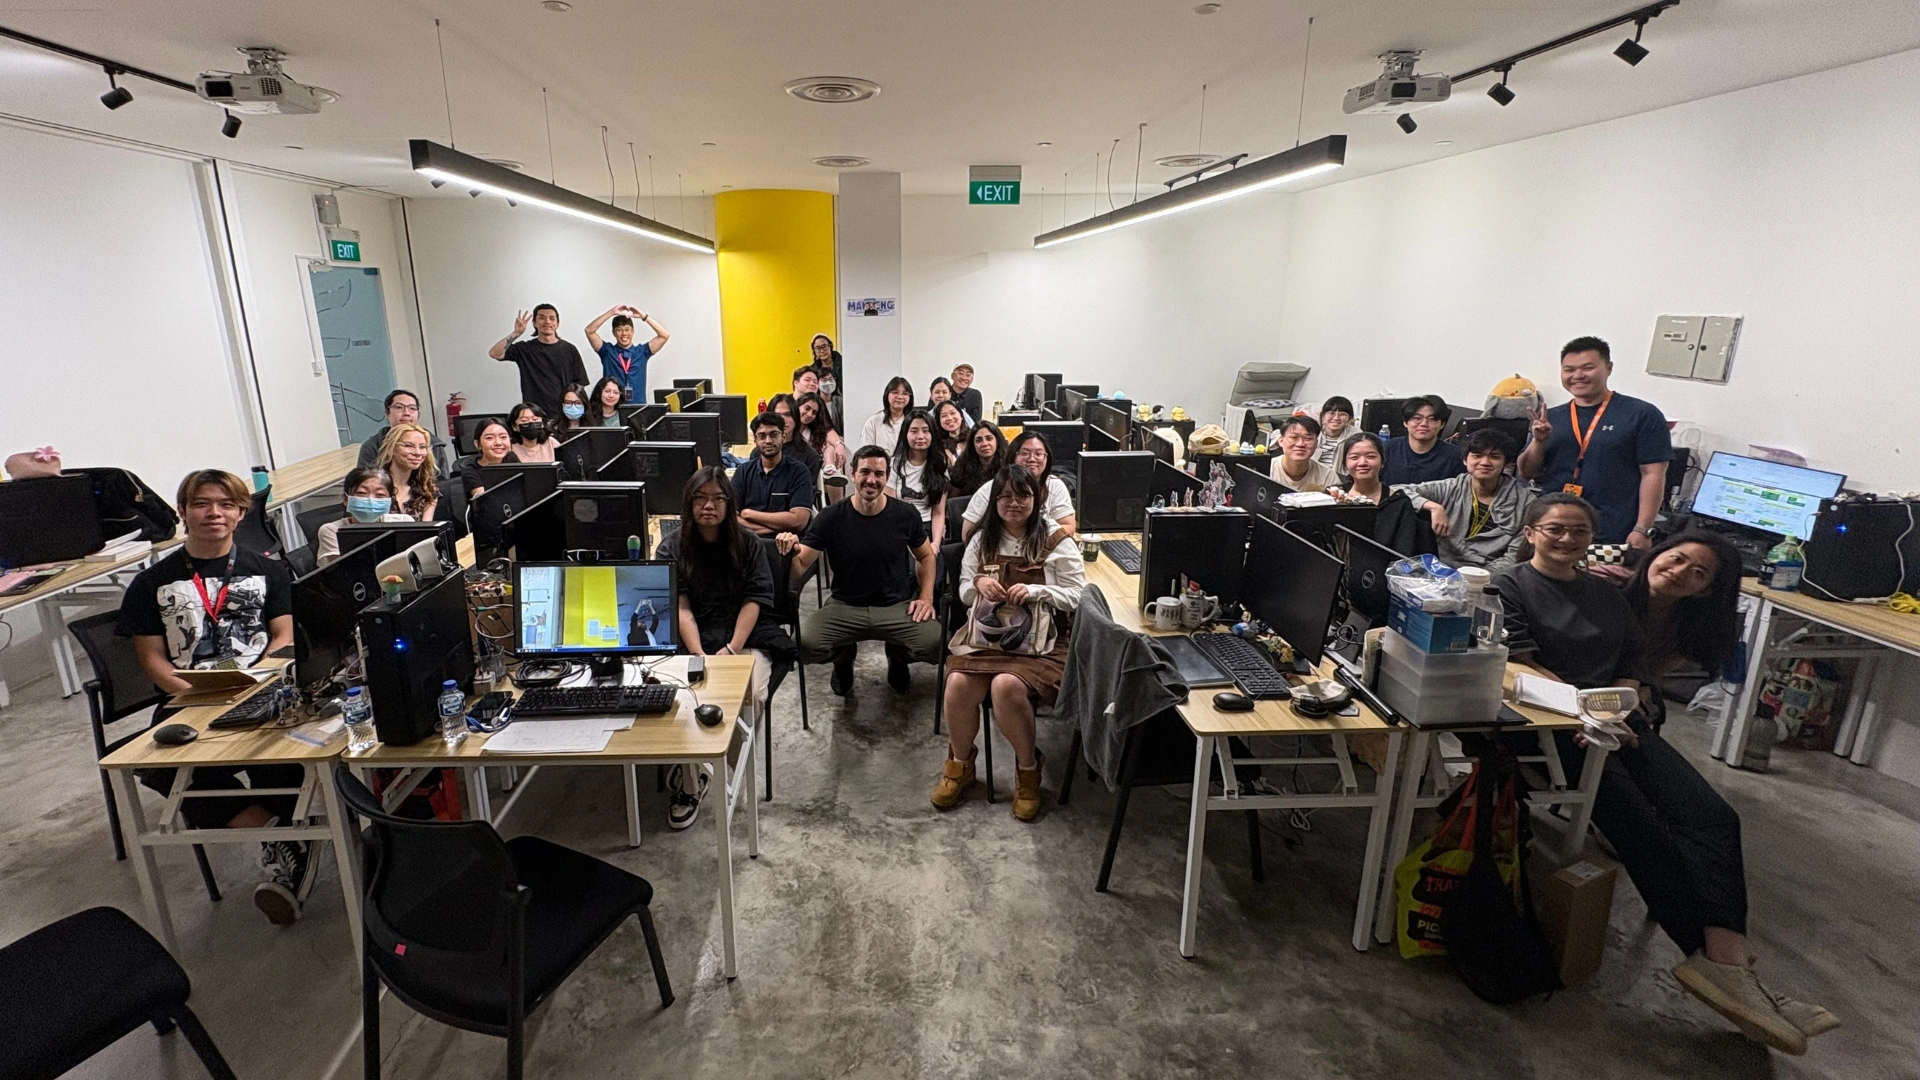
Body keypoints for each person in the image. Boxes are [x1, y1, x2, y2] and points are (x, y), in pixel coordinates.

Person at [1494, 495, 1834, 1055]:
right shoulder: (1509, 584)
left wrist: (1616, 709)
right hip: (1554, 727)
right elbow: (1520, 663)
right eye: (1555, 528)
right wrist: (1583, 709)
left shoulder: (1607, 595)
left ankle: (1730, 964)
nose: (1566, 538)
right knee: (1643, 831)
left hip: (1616, 721)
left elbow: (1635, 670)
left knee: (1713, 817)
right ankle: (1721, 969)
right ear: (1531, 531)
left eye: (1579, 529)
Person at [117, 469, 307, 925]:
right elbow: (153, 660)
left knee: (285, 752)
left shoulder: (268, 570)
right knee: (157, 768)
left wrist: (260, 683)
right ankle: (279, 835)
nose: (213, 513)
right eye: (202, 503)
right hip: (188, 697)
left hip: (261, 686)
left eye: (226, 504)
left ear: (241, 513)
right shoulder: (150, 584)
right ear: (183, 512)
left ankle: (285, 862)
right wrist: (194, 693)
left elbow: (283, 637)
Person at [935, 464, 1086, 821]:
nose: (1013, 503)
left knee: (1006, 687)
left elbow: (1080, 595)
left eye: (1022, 496)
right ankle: (960, 764)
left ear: (1036, 499)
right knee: (957, 683)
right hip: (990, 638)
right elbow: (962, 590)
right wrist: (976, 588)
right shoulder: (982, 538)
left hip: (1043, 642)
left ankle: (1028, 770)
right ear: (994, 500)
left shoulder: (1054, 539)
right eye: (1004, 496)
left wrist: (1037, 591)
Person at [654, 467, 792, 829]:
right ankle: (692, 779)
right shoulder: (672, 546)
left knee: (752, 695)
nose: (709, 506)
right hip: (693, 633)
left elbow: (755, 600)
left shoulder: (747, 543)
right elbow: (680, 605)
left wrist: (731, 650)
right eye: (700, 498)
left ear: (730, 504)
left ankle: (715, 764)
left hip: (743, 631)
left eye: (718, 498)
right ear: (689, 503)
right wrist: (697, 652)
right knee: (683, 697)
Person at [776, 445, 939, 696]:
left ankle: (898, 656)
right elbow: (800, 567)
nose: (871, 480)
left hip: (895, 606)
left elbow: (926, 555)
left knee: (936, 644)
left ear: (886, 477)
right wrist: (789, 549)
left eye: (878, 473)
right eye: (864, 472)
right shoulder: (830, 517)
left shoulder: (905, 514)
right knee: (805, 646)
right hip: (845, 605)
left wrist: (925, 597)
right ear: (852, 474)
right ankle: (843, 658)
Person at [1518, 336, 1673, 548]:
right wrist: (1538, 441)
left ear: (1608, 368)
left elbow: (1653, 474)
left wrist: (1642, 529)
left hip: (1611, 530)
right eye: (1569, 369)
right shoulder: (1550, 417)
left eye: (1587, 368)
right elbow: (1527, 472)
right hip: (1552, 528)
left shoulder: (1641, 414)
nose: (1577, 376)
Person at [1400, 428, 1534, 571]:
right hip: (1439, 569)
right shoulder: (1451, 488)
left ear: (1506, 463)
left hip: (1490, 576)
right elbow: (1397, 490)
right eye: (1477, 456)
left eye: (1494, 456)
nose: (1485, 462)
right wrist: (1434, 507)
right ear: (1465, 460)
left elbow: (1515, 554)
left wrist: (1481, 578)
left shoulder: (1526, 502)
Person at [961, 431, 1076, 539]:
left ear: (1047, 458)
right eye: (1024, 453)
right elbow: (968, 534)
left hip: (1042, 553)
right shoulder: (990, 488)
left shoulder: (1054, 486)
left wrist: (1034, 542)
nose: (1032, 459)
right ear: (1012, 456)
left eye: (1039, 454)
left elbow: (1068, 527)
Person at [1327, 433, 1428, 554]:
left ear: (1383, 462)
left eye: (1370, 456)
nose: (1362, 462)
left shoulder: (1398, 502)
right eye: (1354, 457)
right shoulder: (1331, 496)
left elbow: (1403, 552)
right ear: (1344, 465)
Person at [489, 304, 589, 417]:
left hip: (563, 415)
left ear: (557, 324)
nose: (547, 321)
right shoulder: (525, 349)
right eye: (542, 317)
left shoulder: (570, 349)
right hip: (533, 415)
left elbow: (580, 385)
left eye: (552, 318)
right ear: (534, 323)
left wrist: (574, 412)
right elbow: (495, 353)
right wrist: (516, 333)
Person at [733, 411, 815, 537]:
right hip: (749, 544)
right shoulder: (743, 472)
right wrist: (777, 528)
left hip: (787, 543)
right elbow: (731, 518)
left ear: (783, 436)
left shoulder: (799, 472)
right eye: (761, 436)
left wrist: (749, 514)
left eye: (773, 435)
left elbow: (799, 521)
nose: (768, 441)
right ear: (755, 440)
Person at [314, 467, 412, 566]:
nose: (370, 499)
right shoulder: (332, 531)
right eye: (361, 493)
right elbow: (343, 570)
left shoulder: (404, 523)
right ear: (345, 499)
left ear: (390, 501)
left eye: (380, 494)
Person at [887, 410, 950, 550]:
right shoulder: (894, 465)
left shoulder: (939, 466)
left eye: (926, 431)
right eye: (914, 431)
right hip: (899, 528)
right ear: (905, 434)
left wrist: (935, 544)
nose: (920, 436)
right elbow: (889, 509)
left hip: (926, 528)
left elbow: (938, 512)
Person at [355, 389, 452, 476]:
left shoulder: (433, 444)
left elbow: (442, 483)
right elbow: (364, 484)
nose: (406, 413)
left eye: (412, 408)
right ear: (387, 413)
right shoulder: (373, 446)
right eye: (399, 407)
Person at [584, 305, 669, 401]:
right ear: (614, 333)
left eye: (627, 329)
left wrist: (644, 316)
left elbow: (664, 335)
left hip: (637, 408)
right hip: (613, 407)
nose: (624, 334)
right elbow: (589, 331)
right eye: (619, 330)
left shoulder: (642, 352)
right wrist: (612, 312)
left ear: (633, 331)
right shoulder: (607, 351)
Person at [1381, 395, 1466, 486]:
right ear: (1405, 422)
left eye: (1432, 419)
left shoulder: (1455, 456)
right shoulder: (1386, 449)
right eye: (1417, 418)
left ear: (1442, 424)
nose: (1424, 424)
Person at [378, 423, 440, 522]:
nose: (417, 453)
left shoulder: (428, 489)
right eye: (408, 446)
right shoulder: (374, 486)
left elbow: (426, 530)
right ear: (392, 448)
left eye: (423, 447)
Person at [1269, 415, 1341, 492]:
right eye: (1293, 437)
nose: (1300, 444)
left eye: (1308, 439)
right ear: (1281, 441)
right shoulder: (1267, 470)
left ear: (1316, 443)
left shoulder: (1328, 476)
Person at [459, 419, 519, 501]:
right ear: (478, 444)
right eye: (489, 438)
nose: (498, 442)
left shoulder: (512, 459)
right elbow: (485, 500)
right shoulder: (471, 470)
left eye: (503, 437)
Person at [765, 393, 821, 477]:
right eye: (778, 415)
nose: (783, 420)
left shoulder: (810, 456)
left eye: (788, 415)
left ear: (796, 417)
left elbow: (808, 488)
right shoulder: (759, 452)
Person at [794, 392, 848, 477]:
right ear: (798, 405)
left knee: (832, 444)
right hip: (792, 468)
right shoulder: (788, 428)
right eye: (807, 408)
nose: (809, 414)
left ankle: (830, 469)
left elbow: (830, 434)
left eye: (814, 413)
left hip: (809, 470)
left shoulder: (813, 432)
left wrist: (839, 444)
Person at [949, 420, 1005, 499]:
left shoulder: (1008, 465)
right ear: (973, 445)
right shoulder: (962, 468)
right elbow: (954, 502)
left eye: (989, 438)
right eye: (978, 440)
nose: (984, 444)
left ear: (997, 441)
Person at [861, 377, 913, 454]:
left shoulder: (913, 421)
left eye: (905, 394)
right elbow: (867, 452)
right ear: (887, 395)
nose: (900, 397)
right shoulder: (873, 421)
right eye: (895, 392)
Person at [1314, 396, 1356, 467]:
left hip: (1341, 477)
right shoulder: (1314, 433)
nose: (1336, 418)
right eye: (1331, 413)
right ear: (1323, 416)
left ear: (1349, 418)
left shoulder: (1355, 437)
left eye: (1342, 414)